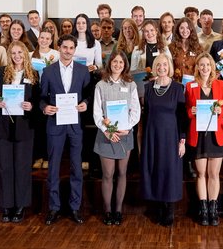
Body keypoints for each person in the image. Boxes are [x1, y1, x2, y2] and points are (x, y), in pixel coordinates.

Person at [40, 34, 91, 225]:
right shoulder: (48, 71)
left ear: (75, 50)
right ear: (59, 48)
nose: (68, 51)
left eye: (71, 48)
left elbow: (88, 95)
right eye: (65, 47)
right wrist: (45, 108)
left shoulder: (83, 70)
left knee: (76, 167)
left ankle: (75, 207)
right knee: (53, 168)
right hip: (55, 124)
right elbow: (42, 97)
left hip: (75, 125)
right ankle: (54, 208)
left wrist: (85, 103)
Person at [0, 42, 40, 223]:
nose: (17, 55)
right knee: (5, 167)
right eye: (13, 52)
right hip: (3, 126)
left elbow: (38, 99)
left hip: (24, 127)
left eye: (20, 52)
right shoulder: (2, 71)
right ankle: (7, 206)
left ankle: (20, 206)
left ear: (25, 54)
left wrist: (32, 106)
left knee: (21, 167)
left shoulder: (33, 74)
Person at [93, 50, 140, 225]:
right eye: (114, 62)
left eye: (121, 62)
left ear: (125, 65)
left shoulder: (131, 85)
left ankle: (118, 210)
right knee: (107, 174)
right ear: (109, 64)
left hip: (125, 133)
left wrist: (128, 128)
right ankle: (107, 211)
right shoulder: (100, 85)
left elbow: (135, 110)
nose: (117, 65)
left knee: (122, 173)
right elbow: (97, 113)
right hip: (106, 134)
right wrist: (108, 130)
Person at [141, 53, 187, 226]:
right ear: (154, 67)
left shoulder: (177, 88)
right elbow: (146, 116)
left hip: (171, 136)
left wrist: (182, 140)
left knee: (170, 170)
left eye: (165, 65)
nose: (161, 68)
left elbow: (182, 116)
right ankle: (158, 205)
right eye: (158, 65)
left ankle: (169, 209)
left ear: (169, 67)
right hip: (152, 135)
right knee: (155, 168)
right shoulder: (148, 87)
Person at [185, 53, 223, 226]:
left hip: (216, 135)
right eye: (201, 65)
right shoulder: (190, 86)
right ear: (197, 67)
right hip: (199, 136)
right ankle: (203, 209)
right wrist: (191, 112)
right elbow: (186, 110)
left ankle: (213, 209)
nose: (204, 68)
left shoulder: (221, 85)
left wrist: (220, 111)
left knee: (213, 174)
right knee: (201, 173)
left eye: (207, 65)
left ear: (212, 67)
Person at [31, 29, 59, 170]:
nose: (44, 40)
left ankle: (48, 157)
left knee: (50, 128)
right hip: (35, 94)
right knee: (38, 128)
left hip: (51, 94)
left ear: (51, 40)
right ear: (38, 39)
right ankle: (38, 156)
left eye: (47, 38)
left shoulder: (56, 55)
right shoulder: (31, 55)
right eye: (42, 37)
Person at [169, 17, 202, 83]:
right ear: (178, 30)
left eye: (187, 28)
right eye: (182, 28)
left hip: (193, 84)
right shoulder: (171, 47)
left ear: (191, 29)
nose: (185, 30)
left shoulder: (198, 48)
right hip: (176, 84)